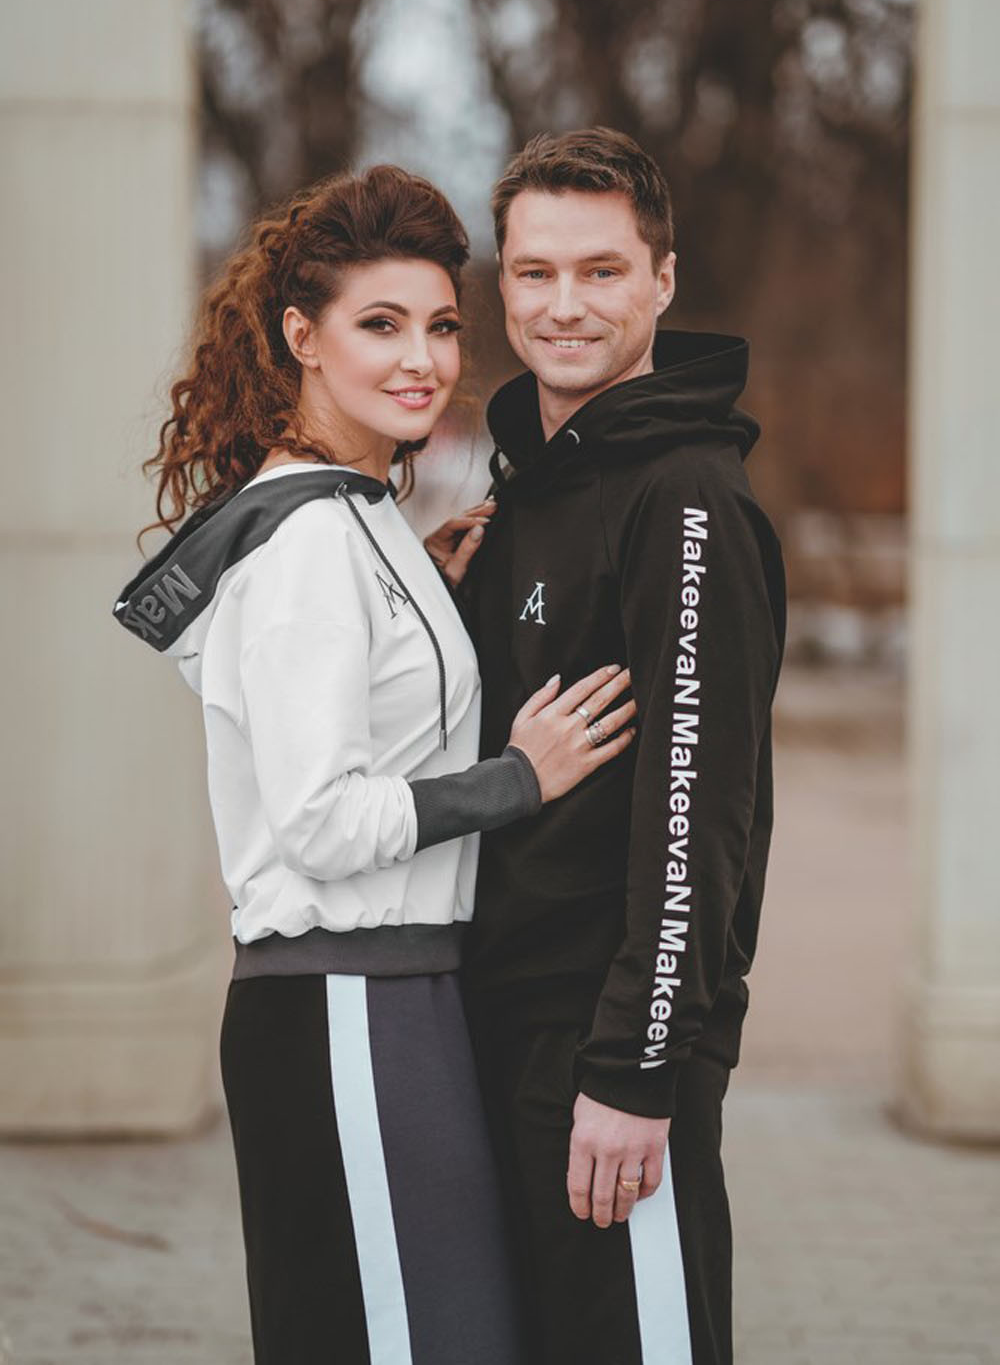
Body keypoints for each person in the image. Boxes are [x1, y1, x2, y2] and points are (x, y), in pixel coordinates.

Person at [112, 164, 637, 1365]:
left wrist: (429, 601)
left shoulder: (359, 516)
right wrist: (519, 777)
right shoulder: (309, 543)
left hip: (400, 999)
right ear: (302, 337)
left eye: (442, 326)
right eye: (381, 326)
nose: (423, 360)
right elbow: (319, 821)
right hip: (342, 1004)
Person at [451, 128, 787, 1365]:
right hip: (501, 1018)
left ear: (662, 279)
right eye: (534, 272)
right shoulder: (527, 487)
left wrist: (637, 1070)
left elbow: (699, 806)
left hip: (605, 1052)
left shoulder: (683, 493)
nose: (564, 305)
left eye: (601, 271)